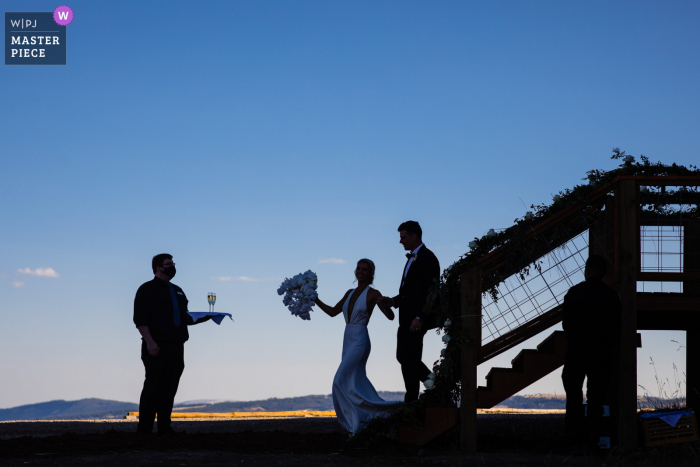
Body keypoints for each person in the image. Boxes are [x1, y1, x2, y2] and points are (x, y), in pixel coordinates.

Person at [314, 259, 398, 434]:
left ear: (371, 273)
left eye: (365, 269)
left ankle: (356, 421)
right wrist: (314, 299)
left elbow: (390, 317)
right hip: (347, 339)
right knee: (354, 382)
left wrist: (384, 303)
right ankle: (367, 418)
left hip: (360, 340)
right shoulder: (349, 292)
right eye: (358, 268)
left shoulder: (374, 293)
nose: (360, 271)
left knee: (339, 380)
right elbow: (332, 312)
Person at [133, 254, 211, 436]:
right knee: (153, 387)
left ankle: (164, 427)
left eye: (173, 264)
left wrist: (207, 317)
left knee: (170, 388)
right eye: (168, 264)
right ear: (158, 268)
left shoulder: (178, 290)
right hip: (156, 347)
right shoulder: (147, 289)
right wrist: (150, 342)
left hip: (176, 346)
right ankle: (144, 429)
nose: (172, 267)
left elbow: (184, 317)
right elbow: (140, 319)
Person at [561, 255, 622, 454]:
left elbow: (566, 324)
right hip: (600, 352)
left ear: (586, 271)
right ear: (603, 273)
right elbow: (616, 327)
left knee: (573, 398)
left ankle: (573, 441)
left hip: (576, 349)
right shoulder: (611, 296)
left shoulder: (573, 293)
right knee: (596, 399)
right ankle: (593, 442)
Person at [378, 221, 440, 403]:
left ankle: (435, 383)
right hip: (406, 318)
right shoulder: (412, 258)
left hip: (416, 320)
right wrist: (392, 301)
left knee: (404, 356)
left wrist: (420, 317)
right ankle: (411, 401)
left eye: (403, 237)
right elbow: (409, 294)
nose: (400, 241)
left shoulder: (427, 258)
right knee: (408, 359)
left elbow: (431, 291)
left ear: (414, 236)